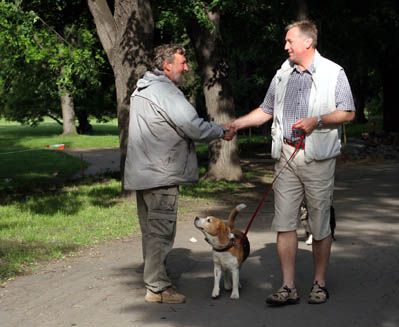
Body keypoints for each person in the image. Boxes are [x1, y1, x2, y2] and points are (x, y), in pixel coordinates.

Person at [230, 20, 355, 305]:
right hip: (286, 155)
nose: (285, 46)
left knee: (320, 223)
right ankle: (288, 287)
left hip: (318, 158)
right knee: (284, 223)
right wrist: (236, 124)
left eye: (289, 41)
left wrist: (318, 120)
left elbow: (348, 112)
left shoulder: (333, 72)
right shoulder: (282, 74)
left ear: (307, 43)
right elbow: (265, 110)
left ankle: (319, 284)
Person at [124, 44, 234, 304]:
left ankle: (156, 283)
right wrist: (221, 131)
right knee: (160, 235)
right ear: (167, 65)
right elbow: (192, 126)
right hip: (161, 175)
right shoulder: (165, 91)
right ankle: (158, 288)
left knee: (151, 233)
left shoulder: (142, 89)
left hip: (143, 175)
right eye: (182, 62)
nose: (186, 67)